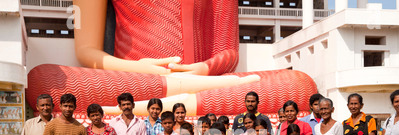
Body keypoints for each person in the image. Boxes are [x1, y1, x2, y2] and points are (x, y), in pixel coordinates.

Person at [26, 1, 317, 118]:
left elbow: (229, 52)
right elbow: (87, 51)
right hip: (135, 79)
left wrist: (202, 68)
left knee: (299, 85)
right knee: (44, 81)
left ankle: (127, 111)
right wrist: (138, 68)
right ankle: (166, 103)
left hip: (206, 80)